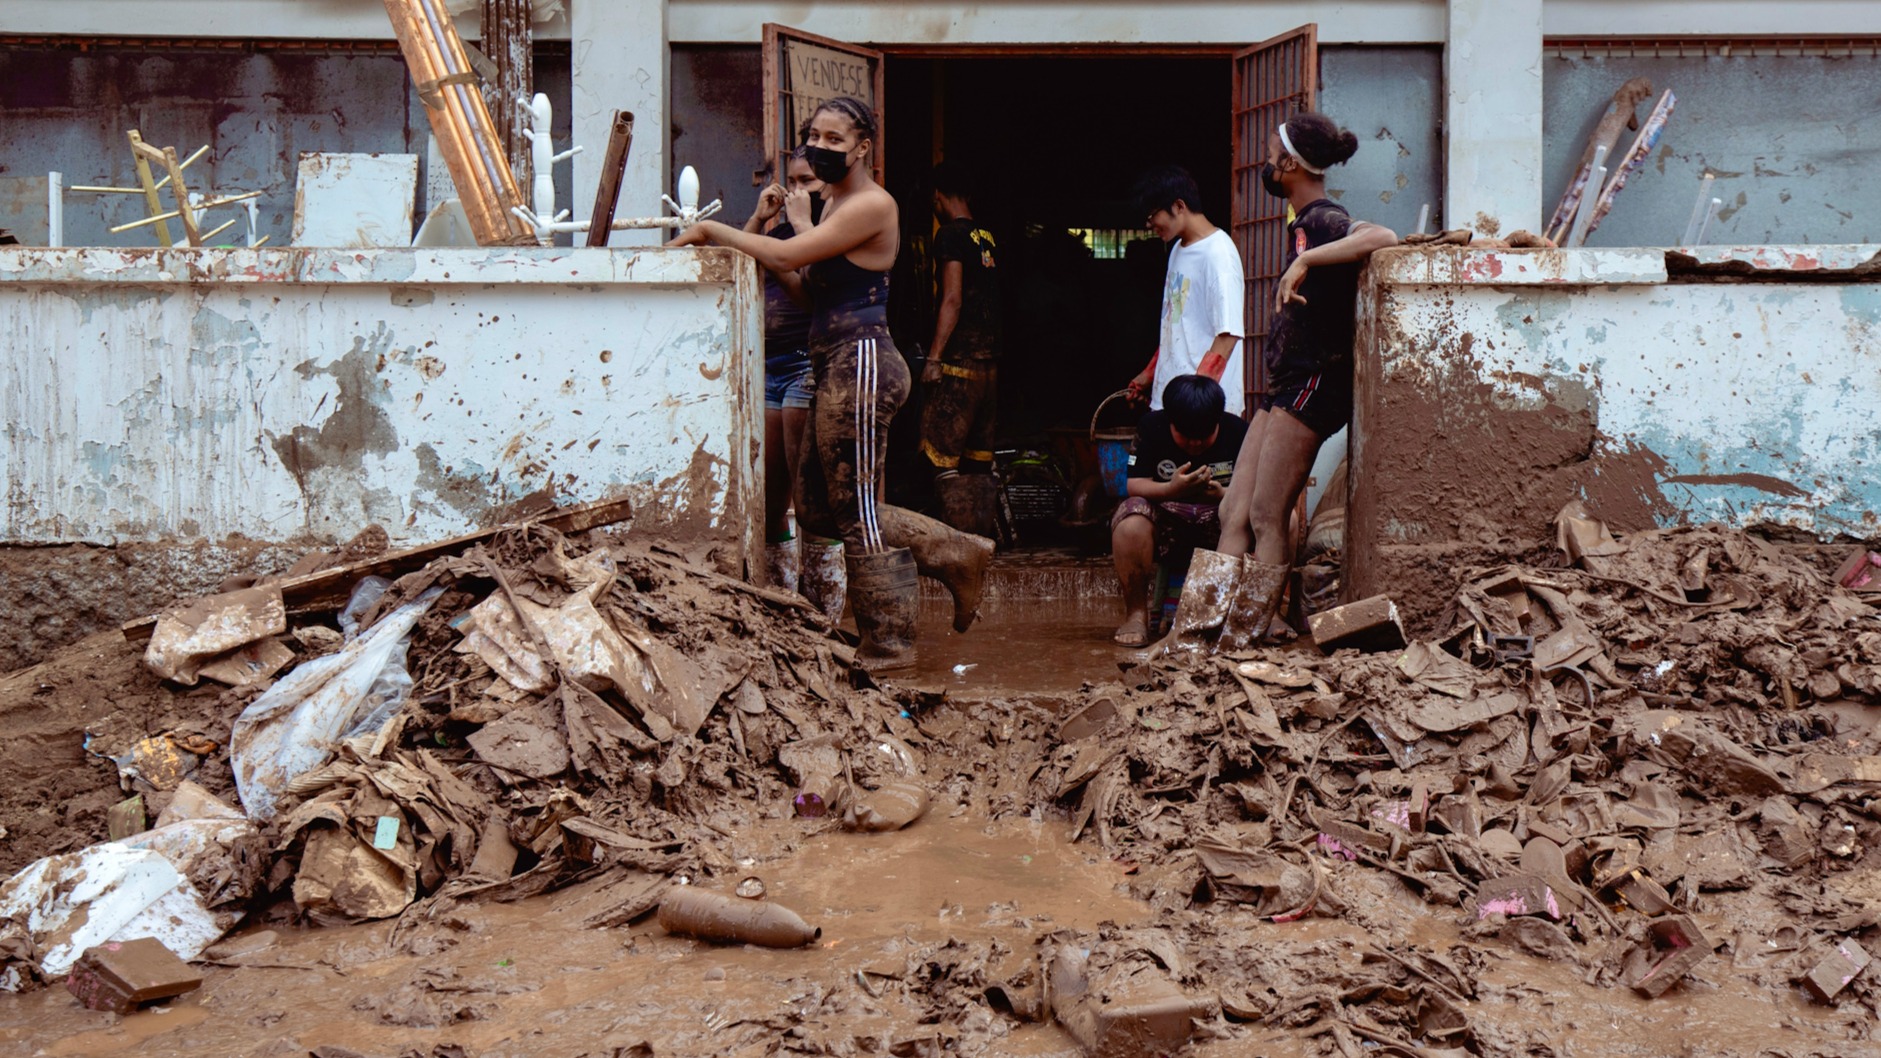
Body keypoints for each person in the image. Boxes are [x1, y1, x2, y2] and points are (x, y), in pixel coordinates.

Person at [672, 96, 994, 671]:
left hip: (864, 364)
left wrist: (708, 231)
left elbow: (790, 254)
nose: (820, 147)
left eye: (834, 139)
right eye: (813, 136)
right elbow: (806, 288)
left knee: (857, 513)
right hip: (834, 363)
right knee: (819, 511)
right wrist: (769, 234)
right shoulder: (834, 204)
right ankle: (955, 551)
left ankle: (890, 642)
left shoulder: (871, 204)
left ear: (863, 147)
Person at [1165, 111, 1398, 653]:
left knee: (1269, 515)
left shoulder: (1321, 220)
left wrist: (1305, 262)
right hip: (1283, 387)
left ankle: (1239, 640)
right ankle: (1193, 639)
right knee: (1233, 511)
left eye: (1273, 152)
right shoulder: (1301, 224)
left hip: (1312, 386)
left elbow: (1383, 234)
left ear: (1290, 163)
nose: (1267, 161)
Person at [742, 147, 845, 620]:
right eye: (793, 182)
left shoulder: (837, 233)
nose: (797, 191)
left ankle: (821, 610)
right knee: (769, 497)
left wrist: (787, 246)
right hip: (768, 365)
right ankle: (780, 608)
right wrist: (759, 222)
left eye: (809, 181)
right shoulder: (780, 231)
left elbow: (813, 293)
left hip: (808, 365)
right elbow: (735, 263)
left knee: (810, 499)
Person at [1110, 375, 1249, 647]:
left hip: (1222, 523)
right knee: (1130, 520)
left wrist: (1223, 495)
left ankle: (1271, 612)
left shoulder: (1238, 431)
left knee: (1285, 519)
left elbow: (1258, 490)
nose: (1195, 445)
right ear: (1171, 421)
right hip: (1168, 521)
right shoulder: (1152, 426)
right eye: (1186, 438)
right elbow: (1133, 484)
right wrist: (1173, 490)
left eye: (1203, 438)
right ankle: (1136, 613)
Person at [919, 161, 1002, 538]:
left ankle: (952, 543)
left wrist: (934, 357)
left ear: (938, 196)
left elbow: (951, 298)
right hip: (989, 365)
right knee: (979, 460)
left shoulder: (949, 235)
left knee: (941, 453)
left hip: (959, 362)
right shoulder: (987, 236)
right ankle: (979, 540)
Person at [1122, 166, 1245, 418]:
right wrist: (1150, 374)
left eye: (1152, 215)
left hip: (1202, 411)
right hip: (1170, 405)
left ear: (1179, 206)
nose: (1149, 225)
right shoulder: (1177, 249)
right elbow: (1178, 325)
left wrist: (1195, 398)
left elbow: (1228, 335)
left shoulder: (1218, 254)